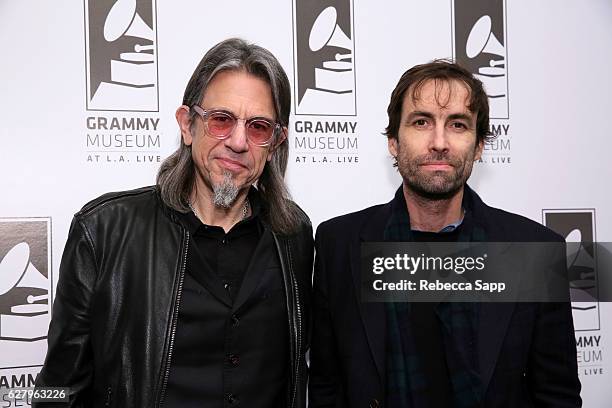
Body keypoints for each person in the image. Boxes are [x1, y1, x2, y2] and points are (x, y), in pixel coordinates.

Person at [35, 38, 313, 408]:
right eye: (221, 120)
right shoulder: (104, 231)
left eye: (259, 127)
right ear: (187, 125)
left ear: (276, 143)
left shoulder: (293, 234)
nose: (239, 141)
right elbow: (58, 391)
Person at [309, 60, 581, 407]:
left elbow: (558, 397)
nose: (439, 142)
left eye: (457, 124)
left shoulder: (533, 251)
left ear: (479, 145)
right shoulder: (339, 243)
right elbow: (326, 388)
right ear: (393, 140)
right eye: (421, 122)